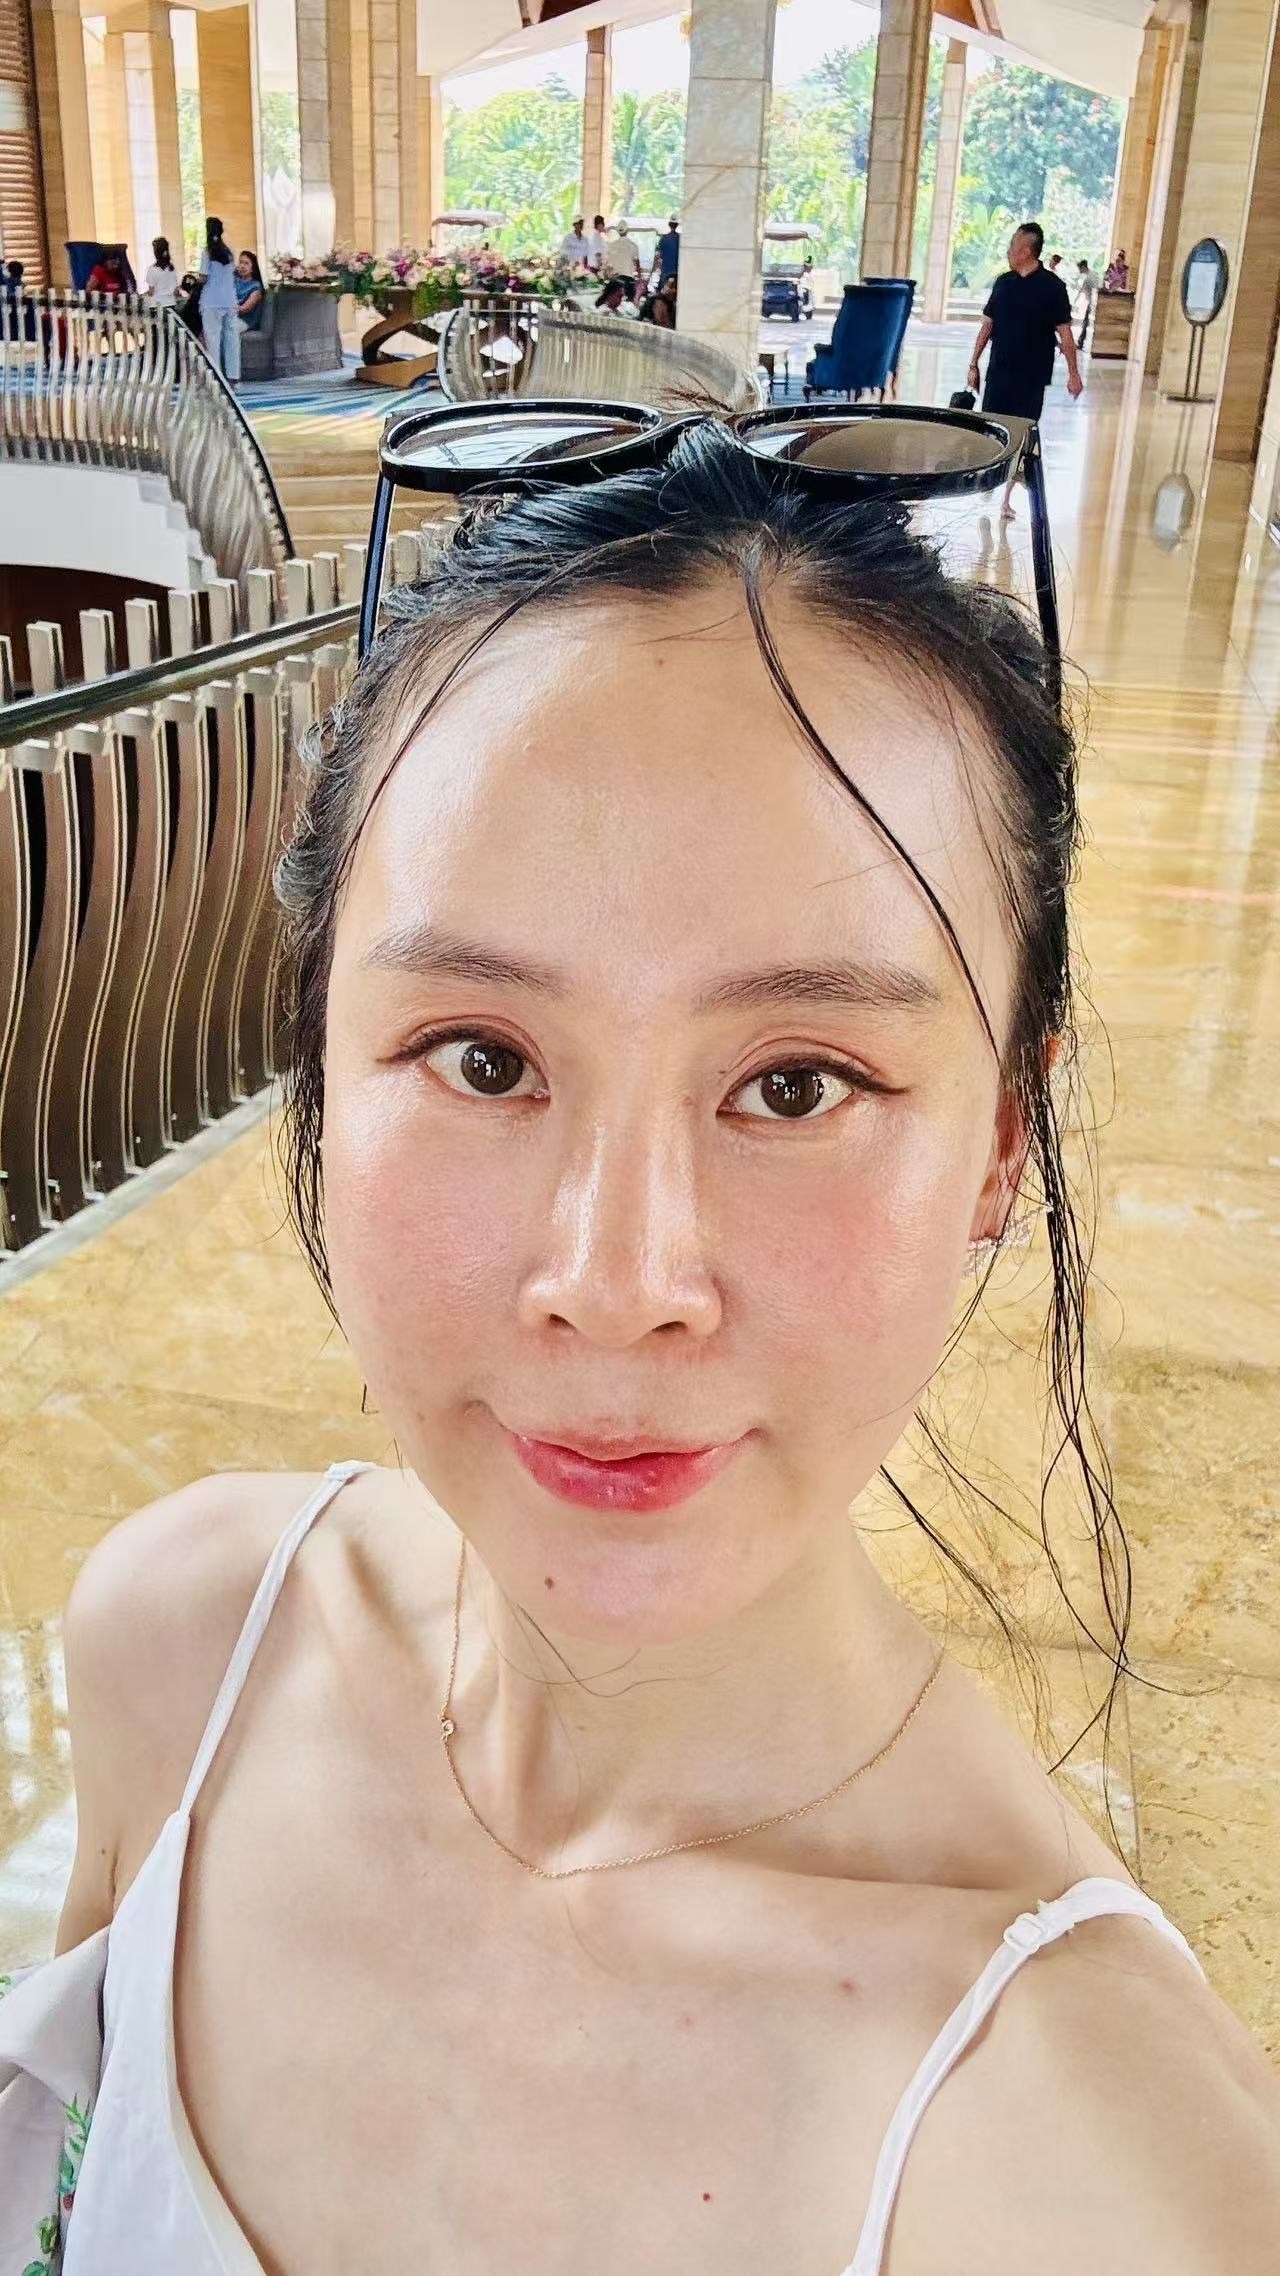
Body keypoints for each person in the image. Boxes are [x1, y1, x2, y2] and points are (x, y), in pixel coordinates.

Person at [37, 415, 1280, 2268]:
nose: (616, 1281)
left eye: (798, 1083)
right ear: (320, 1068)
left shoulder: (1102, 2177)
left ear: (1000, 1148)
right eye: (483, 1058)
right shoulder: (187, 1649)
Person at [967, 221, 1082, 520]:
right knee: (991, 428)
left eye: (1012, 246)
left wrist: (1074, 374)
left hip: (1032, 376)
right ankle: (989, 477)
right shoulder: (1003, 283)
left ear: (1026, 251)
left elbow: (1065, 335)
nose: (1008, 251)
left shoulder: (1053, 288)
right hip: (999, 371)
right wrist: (973, 363)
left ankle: (1005, 497)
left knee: (1021, 435)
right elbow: (987, 326)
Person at [198, 214, 240, 381]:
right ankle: (233, 376)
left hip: (211, 302)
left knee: (213, 340)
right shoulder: (230, 253)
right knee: (232, 339)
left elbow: (203, 278)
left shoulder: (207, 253)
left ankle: (218, 378)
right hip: (229, 301)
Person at [602, 219, 641, 300]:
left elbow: (607, 265)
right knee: (629, 303)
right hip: (628, 280)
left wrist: (605, 276)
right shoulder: (633, 245)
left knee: (613, 303)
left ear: (617, 232)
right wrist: (639, 277)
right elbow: (637, 265)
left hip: (614, 280)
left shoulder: (611, 245)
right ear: (627, 231)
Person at [234, 248, 265, 333]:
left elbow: (245, 309)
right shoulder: (235, 280)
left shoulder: (256, 286)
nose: (242, 266)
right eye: (241, 262)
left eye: (246, 263)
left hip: (245, 320)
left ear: (252, 268)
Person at [145, 236, 178, 310]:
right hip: (171, 304)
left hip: (156, 305)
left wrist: (145, 294)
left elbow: (151, 292)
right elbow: (175, 290)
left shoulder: (152, 269)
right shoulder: (172, 268)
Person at [1074, 256, 1100, 350]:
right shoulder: (1090, 276)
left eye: (1080, 269)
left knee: (1086, 324)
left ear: (1083, 267)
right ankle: (1081, 342)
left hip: (1092, 303)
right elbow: (1082, 290)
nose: (1079, 271)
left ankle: (1081, 342)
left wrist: (1092, 305)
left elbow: (1094, 291)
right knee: (1085, 323)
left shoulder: (1090, 277)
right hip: (1090, 303)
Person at [651, 215, 680, 292]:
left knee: (660, 293)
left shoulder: (663, 238)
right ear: (677, 225)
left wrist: (653, 270)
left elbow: (657, 256)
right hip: (678, 274)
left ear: (669, 225)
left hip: (665, 273)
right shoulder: (681, 239)